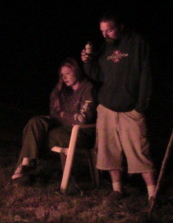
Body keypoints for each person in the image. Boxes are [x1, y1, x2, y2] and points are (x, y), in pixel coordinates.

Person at [81, 11, 156, 202]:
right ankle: (117, 189)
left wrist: (140, 106)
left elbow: (146, 75)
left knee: (139, 151)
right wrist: (87, 63)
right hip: (107, 107)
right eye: (102, 31)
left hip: (130, 109)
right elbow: (99, 76)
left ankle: (152, 193)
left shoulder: (137, 42)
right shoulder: (105, 47)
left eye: (110, 30)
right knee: (109, 150)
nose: (105, 35)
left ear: (121, 26)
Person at [12, 57, 97, 185]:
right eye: (62, 75)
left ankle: (24, 170)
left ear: (77, 72)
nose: (65, 77)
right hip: (63, 128)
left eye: (68, 73)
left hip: (81, 134)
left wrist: (62, 114)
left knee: (39, 136)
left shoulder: (88, 88)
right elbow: (54, 113)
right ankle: (26, 165)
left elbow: (82, 120)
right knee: (35, 122)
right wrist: (66, 116)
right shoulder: (61, 91)